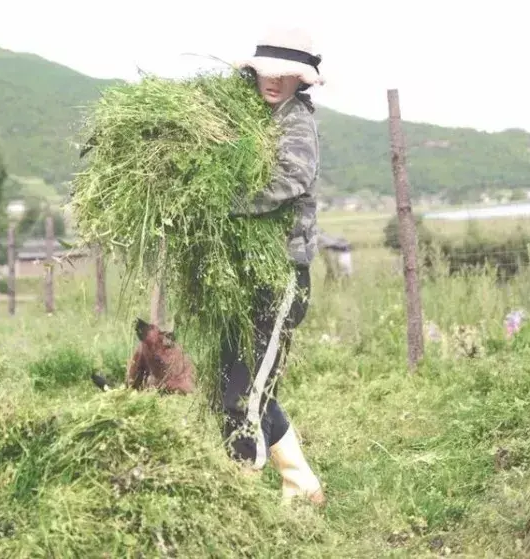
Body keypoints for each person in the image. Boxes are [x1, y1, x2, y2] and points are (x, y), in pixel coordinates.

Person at [220, 26, 326, 506]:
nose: (273, 80)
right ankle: (301, 483)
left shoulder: (296, 122)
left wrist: (229, 203)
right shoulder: (256, 118)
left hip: (281, 273)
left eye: (285, 74)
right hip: (247, 271)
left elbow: (292, 178)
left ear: (300, 79)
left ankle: (240, 495)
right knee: (234, 380)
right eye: (267, 71)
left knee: (245, 391)